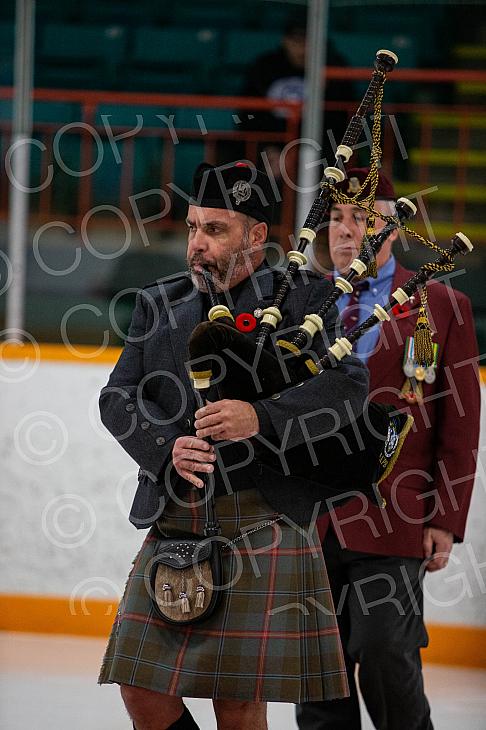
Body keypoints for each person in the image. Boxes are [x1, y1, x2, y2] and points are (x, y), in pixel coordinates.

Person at [97, 161, 370, 730]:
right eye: (194, 228)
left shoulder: (305, 301)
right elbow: (118, 396)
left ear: (256, 236)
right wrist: (166, 447)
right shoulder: (159, 303)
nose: (197, 244)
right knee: (140, 686)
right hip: (178, 511)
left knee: (238, 701)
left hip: (265, 515)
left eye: (215, 230)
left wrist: (261, 416)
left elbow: (349, 386)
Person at [297, 167, 481, 730]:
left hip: (394, 513)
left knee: (384, 652)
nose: (347, 231)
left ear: (393, 228)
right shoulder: (300, 304)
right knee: (317, 667)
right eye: (336, 219)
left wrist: (446, 518)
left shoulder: (442, 305)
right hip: (309, 516)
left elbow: (460, 422)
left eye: (363, 218)